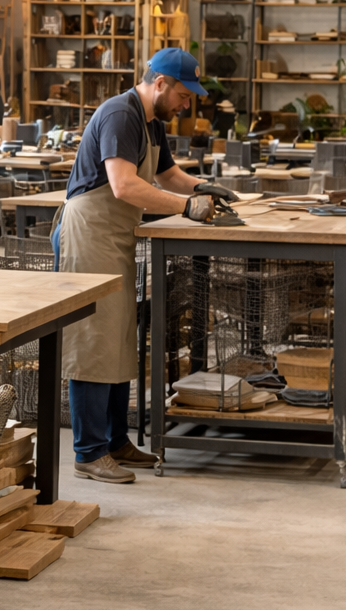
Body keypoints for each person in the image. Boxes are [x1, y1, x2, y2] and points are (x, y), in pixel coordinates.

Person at [51, 47, 239, 484]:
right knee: (93, 341)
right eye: (183, 94)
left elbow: (168, 175)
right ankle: (88, 452)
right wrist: (187, 207)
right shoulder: (121, 114)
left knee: (118, 338)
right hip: (89, 233)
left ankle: (115, 442)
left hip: (114, 236)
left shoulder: (152, 120)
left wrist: (208, 188)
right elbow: (122, 185)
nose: (187, 103)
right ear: (159, 84)